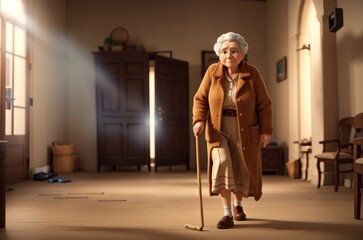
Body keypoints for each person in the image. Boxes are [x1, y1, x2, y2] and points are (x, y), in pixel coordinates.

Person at [192, 32, 273, 229]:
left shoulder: (252, 73)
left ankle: (238, 206)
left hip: (245, 128)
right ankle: (227, 213)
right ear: (219, 54)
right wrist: (199, 119)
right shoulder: (212, 72)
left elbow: (264, 104)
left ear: (243, 54)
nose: (229, 55)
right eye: (225, 51)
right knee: (223, 162)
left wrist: (266, 131)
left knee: (241, 166)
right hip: (218, 127)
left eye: (234, 51)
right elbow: (200, 99)